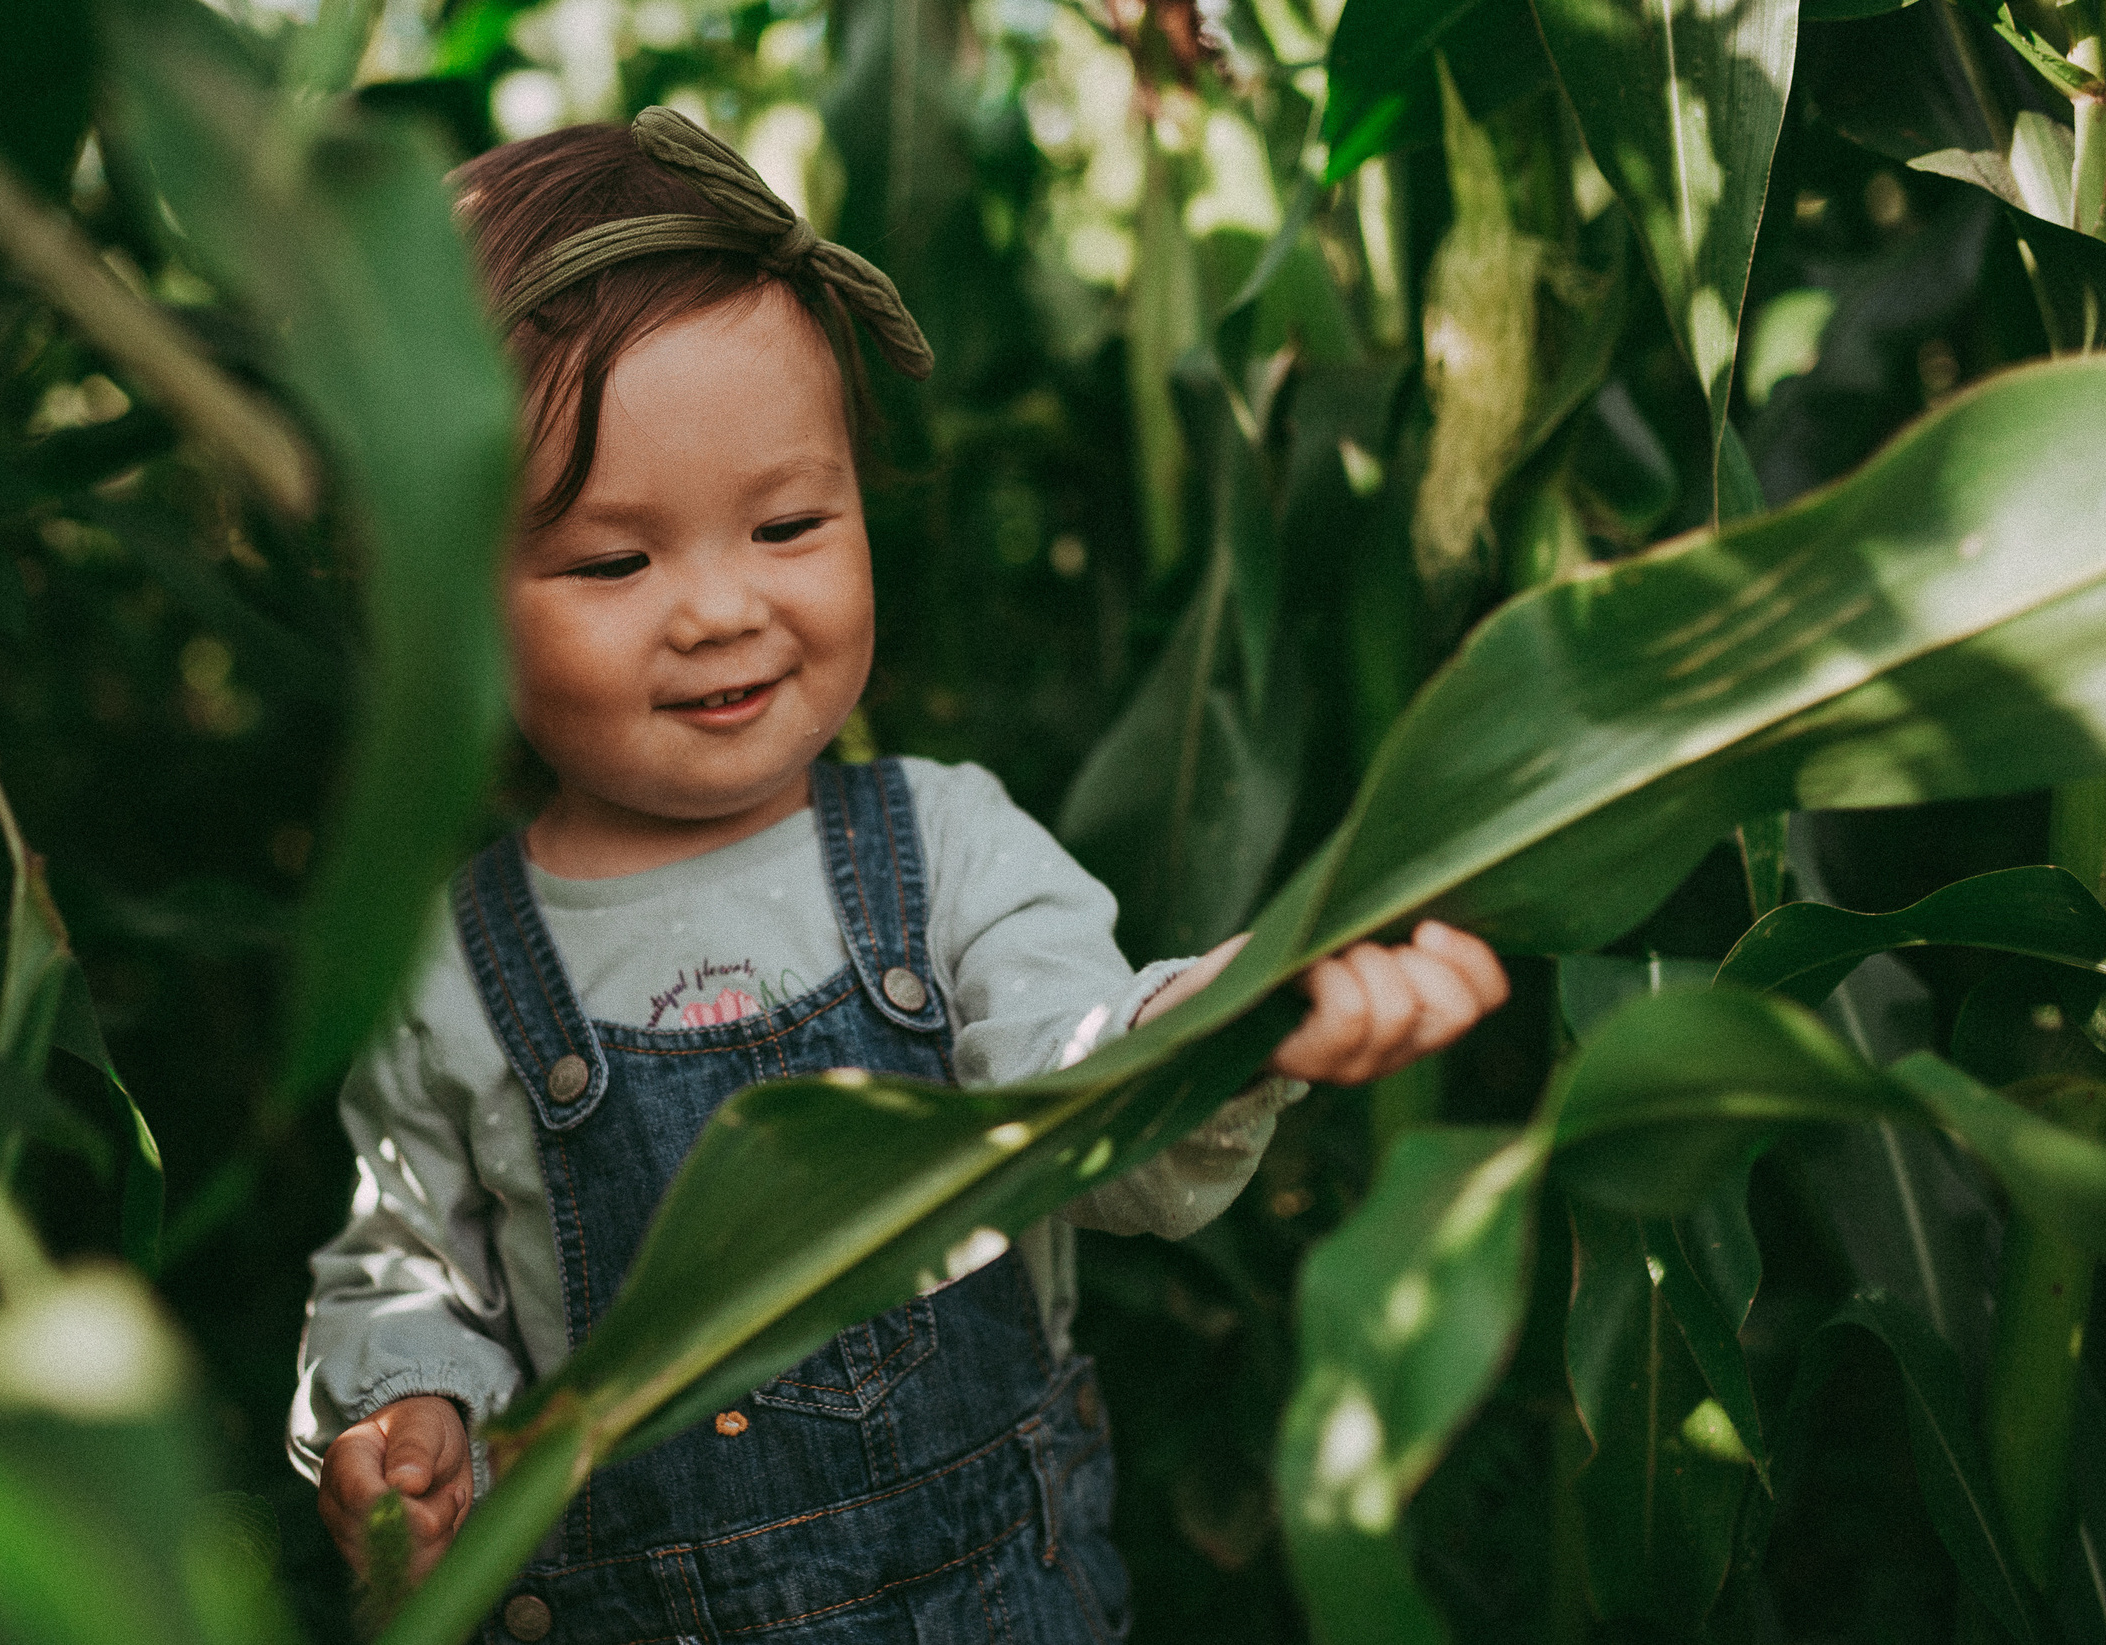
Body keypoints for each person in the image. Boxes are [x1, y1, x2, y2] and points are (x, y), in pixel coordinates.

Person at [288, 106, 1507, 1642]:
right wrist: (406, 1411)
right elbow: (409, 1263)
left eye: (789, 523)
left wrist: (1236, 1018)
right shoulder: (455, 965)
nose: (723, 607)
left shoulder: (946, 851)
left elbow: (1089, 1092)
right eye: (614, 561)